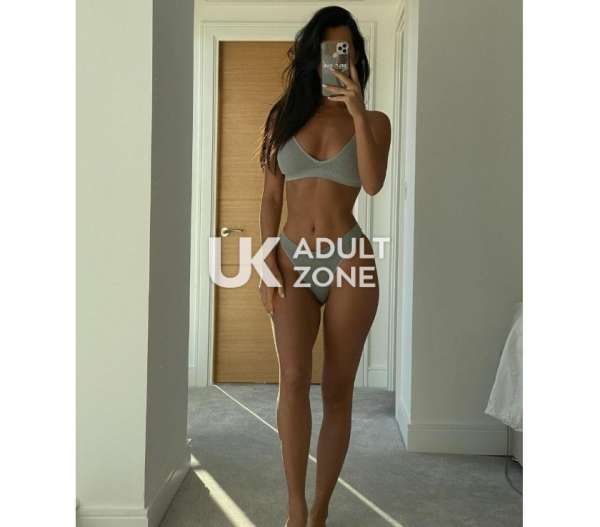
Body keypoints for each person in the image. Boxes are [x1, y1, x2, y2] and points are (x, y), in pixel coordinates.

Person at [256, 6, 391, 527]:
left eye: (346, 50)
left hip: (348, 259)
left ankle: (320, 511)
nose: (338, 58)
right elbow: (271, 196)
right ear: (314, 55)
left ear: (355, 58)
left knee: (337, 389)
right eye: (330, 48)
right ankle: (295, 508)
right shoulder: (283, 117)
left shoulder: (374, 122)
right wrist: (266, 257)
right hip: (291, 258)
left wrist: (356, 110)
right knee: (293, 379)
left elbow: (372, 184)